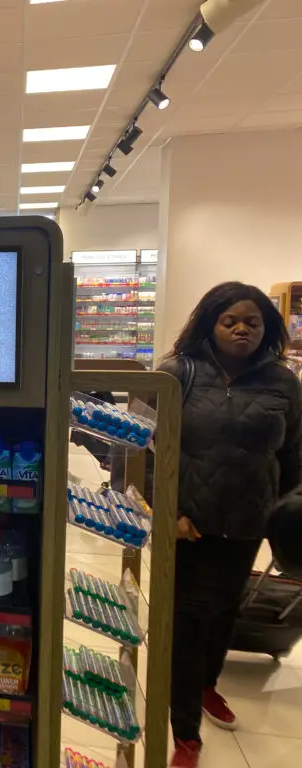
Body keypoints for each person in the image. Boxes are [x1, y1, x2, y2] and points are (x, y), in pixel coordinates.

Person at [163, 282, 302, 768]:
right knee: (187, 618)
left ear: (267, 330)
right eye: (230, 321)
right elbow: (149, 448)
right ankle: (185, 732)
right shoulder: (177, 373)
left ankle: (206, 686)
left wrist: (286, 515)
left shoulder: (284, 384)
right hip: (187, 521)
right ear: (210, 324)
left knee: (224, 611)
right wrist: (169, 511)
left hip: (249, 519)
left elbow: (293, 456)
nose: (242, 329)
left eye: (253, 322)